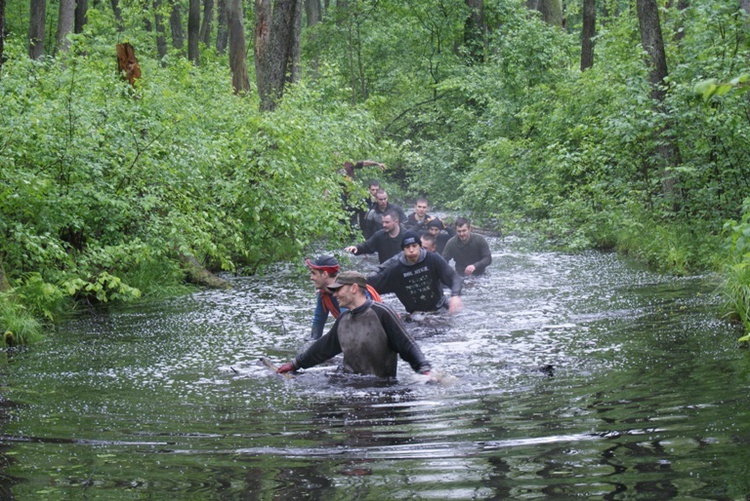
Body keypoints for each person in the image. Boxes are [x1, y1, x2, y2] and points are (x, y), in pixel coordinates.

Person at [277, 271, 432, 378]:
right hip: (349, 381)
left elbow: (407, 346)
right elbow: (322, 349)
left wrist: (424, 370)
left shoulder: (382, 313)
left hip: (379, 386)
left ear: (354, 288)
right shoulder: (342, 320)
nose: (335, 294)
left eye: (338, 290)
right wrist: (295, 364)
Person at [368, 232, 463, 314]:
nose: (411, 250)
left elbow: (454, 278)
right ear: (403, 250)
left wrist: (455, 296)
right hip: (416, 315)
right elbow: (372, 285)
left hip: (440, 309)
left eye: (414, 246)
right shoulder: (395, 269)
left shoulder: (433, 259)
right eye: (407, 247)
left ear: (420, 246)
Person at [306, 255, 382, 340]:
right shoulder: (323, 294)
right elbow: (318, 322)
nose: (311, 277)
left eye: (314, 273)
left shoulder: (348, 293)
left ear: (325, 274)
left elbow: (348, 323)